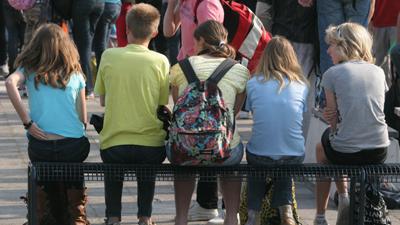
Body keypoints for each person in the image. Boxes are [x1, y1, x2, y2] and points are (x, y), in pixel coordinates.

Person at [5, 23, 90, 225]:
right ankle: (76, 215)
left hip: (40, 145)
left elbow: (9, 83)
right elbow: (83, 119)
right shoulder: (76, 74)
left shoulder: (30, 70)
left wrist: (28, 123)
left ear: (36, 46)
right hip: (72, 147)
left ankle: (42, 213)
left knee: (43, 167)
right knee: (74, 159)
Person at [94, 3, 170, 225]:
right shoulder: (161, 61)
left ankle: (113, 217)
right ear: (155, 32)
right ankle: (145, 217)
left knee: (113, 169)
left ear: (126, 29)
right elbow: (162, 103)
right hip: (150, 145)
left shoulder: (109, 56)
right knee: (148, 169)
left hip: (114, 143)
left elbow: (102, 99)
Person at [169, 20, 249, 225]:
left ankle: (181, 219)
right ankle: (231, 217)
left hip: (185, 147)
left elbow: (179, 106)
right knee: (231, 156)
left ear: (201, 41)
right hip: (225, 150)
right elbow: (234, 111)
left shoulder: (180, 68)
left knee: (183, 160)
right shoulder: (239, 70)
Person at [314, 22, 390, 225]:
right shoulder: (378, 71)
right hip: (379, 148)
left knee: (324, 147)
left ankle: (323, 215)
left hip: (347, 150)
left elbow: (332, 119)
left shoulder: (332, 74)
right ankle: (344, 198)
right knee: (338, 139)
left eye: (332, 45)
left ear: (344, 46)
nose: (328, 50)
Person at [164, 0, 226, 222]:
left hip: (202, 72)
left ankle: (207, 203)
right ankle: (204, 203)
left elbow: (212, 43)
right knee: (192, 133)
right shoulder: (186, 2)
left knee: (204, 132)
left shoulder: (207, 4)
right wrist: (172, 5)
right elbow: (168, 31)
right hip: (187, 68)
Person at [245, 36, 308, 225]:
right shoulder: (302, 85)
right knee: (284, 162)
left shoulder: (253, 84)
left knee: (257, 163)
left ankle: (253, 213)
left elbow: (252, 111)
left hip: (259, 154)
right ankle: (286, 211)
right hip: (294, 154)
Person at [72, 0, 105, 98]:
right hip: (100, 4)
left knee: (84, 47)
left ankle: (88, 88)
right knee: (91, 43)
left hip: (84, 4)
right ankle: (97, 87)